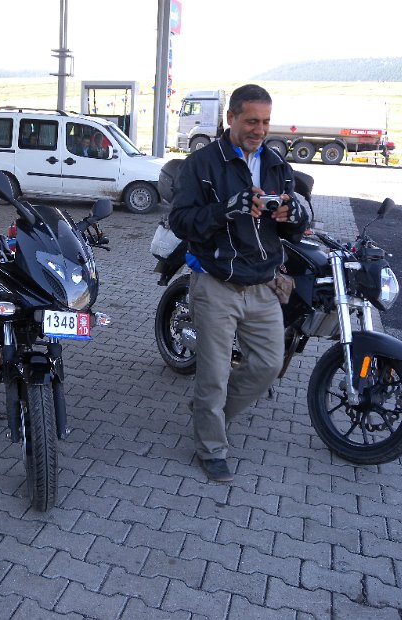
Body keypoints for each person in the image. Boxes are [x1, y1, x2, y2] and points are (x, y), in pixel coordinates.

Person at [169, 84, 308, 483]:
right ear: (230, 118)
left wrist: (293, 213)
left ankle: (207, 415)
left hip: (263, 284)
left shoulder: (278, 165)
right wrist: (227, 209)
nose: (259, 129)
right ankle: (211, 447)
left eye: (265, 121)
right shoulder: (201, 163)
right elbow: (181, 221)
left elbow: (295, 230)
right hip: (216, 283)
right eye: (251, 120)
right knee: (212, 374)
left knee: (266, 365)